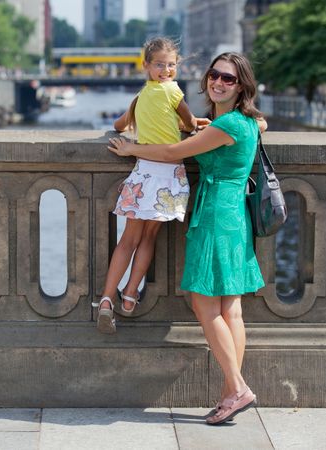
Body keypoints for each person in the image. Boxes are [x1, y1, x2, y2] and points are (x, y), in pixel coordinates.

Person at [107, 52, 267, 425]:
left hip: (214, 216)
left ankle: (238, 387)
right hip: (235, 217)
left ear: (241, 85)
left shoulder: (227, 125)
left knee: (204, 305)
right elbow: (256, 125)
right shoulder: (245, 122)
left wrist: (132, 149)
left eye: (228, 79)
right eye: (214, 75)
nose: (218, 82)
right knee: (231, 308)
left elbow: (172, 152)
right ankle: (230, 394)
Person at [94, 37, 201, 335]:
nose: (166, 70)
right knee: (148, 239)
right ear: (147, 66)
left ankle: (106, 299)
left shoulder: (141, 96)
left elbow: (119, 126)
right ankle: (130, 296)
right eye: (160, 65)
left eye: (170, 65)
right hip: (168, 177)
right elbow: (191, 123)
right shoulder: (174, 90)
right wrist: (189, 124)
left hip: (143, 174)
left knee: (127, 240)